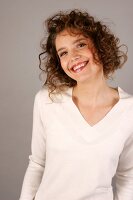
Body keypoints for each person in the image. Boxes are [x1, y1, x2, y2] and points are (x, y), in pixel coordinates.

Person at [19, 9, 133, 200]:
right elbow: (37, 164)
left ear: (100, 45)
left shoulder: (129, 111)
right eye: (63, 53)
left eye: (80, 45)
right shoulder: (47, 99)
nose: (72, 57)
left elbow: (128, 175)